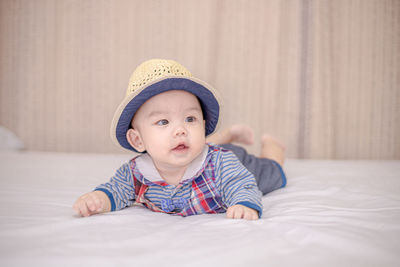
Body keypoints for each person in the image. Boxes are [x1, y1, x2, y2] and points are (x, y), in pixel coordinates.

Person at [73, 59, 286, 220]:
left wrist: (244, 204)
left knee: (272, 171)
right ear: (137, 140)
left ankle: (273, 145)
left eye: (190, 119)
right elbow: (115, 190)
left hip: (237, 161)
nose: (180, 130)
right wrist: (97, 200)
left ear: (203, 125)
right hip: (204, 147)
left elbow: (242, 184)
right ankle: (228, 134)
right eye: (163, 122)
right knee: (204, 144)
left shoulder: (222, 164)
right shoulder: (136, 173)